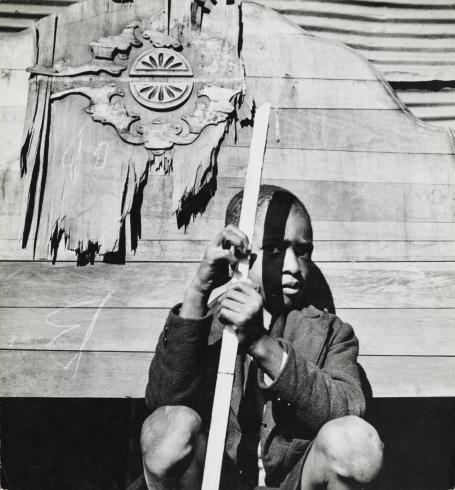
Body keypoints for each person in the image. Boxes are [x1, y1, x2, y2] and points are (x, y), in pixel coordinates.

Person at [139, 185, 383, 490]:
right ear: (238, 255)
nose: (294, 267)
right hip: (216, 482)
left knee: (357, 443)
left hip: (294, 483)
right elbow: (162, 410)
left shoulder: (331, 332)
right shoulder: (206, 323)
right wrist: (199, 289)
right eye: (276, 250)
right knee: (167, 430)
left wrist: (262, 345)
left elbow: (349, 414)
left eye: (303, 251)